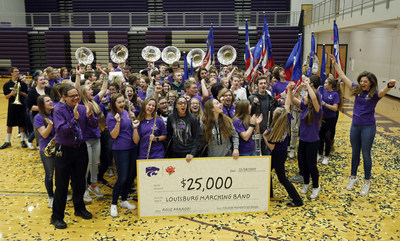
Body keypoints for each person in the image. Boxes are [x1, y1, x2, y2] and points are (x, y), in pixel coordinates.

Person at [330, 54, 396, 195]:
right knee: (354, 153)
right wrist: (335, 64)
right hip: (355, 126)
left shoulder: (375, 94)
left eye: (365, 81)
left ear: (371, 83)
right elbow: (342, 76)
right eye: (361, 81)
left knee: (366, 154)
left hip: (368, 128)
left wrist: (390, 85)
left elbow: (384, 91)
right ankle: (353, 177)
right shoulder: (356, 90)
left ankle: (367, 181)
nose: (362, 83)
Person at [51, 86, 98, 229]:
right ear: (64, 97)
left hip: (80, 149)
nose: (76, 98)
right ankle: (57, 217)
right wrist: (74, 119)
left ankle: (79, 208)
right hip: (64, 150)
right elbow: (62, 131)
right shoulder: (58, 110)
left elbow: (95, 125)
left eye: (77, 95)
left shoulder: (83, 108)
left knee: (79, 182)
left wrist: (90, 115)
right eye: (72, 96)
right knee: (62, 185)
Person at [263, 87, 303, 207]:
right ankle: (269, 193)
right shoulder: (286, 120)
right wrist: (290, 90)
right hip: (281, 153)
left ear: (276, 118)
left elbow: (271, 147)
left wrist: (264, 137)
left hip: (278, 155)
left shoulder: (277, 131)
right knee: (267, 171)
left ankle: (297, 200)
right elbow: (287, 105)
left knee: (282, 178)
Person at [288, 77, 322, 199]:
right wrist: (290, 90)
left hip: (312, 142)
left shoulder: (317, 110)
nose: (304, 97)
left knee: (312, 165)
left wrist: (307, 85)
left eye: (305, 96)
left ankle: (316, 186)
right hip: (303, 141)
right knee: (303, 164)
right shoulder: (304, 106)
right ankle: (306, 183)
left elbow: (313, 97)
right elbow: (293, 99)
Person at [106, 93, 138, 217]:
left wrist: (133, 118)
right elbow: (113, 135)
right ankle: (113, 204)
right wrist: (118, 122)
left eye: (122, 102)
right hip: (120, 149)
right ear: (114, 104)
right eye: (119, 102)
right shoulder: (111, 116)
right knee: (122, 177)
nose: (122, 104)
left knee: (130, 177)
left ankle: (124, 200)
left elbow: (132, 128)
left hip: (132, 148)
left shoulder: (126, 113)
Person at [34, 95, 56, 207]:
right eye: (48, 101)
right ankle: (51, 197)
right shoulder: (38, 117)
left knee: (61, 174)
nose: (51, 102)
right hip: (46, 149)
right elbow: (44, 134)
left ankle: (60, 194)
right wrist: (50, 125)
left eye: (50, 100)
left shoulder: (55, 113)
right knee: (49, 174)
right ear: (42, 105)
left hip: (58, 147)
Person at [248, 76, 278, 155]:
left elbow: (273, 114)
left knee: (267, 153)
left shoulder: (270, 98)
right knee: (256, 154)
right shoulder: (251, 98)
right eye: (261, 83)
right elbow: (249, 114)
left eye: (265, 83)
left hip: (267, 130)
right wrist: (254, 104)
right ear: (257, 86)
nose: (263, 85)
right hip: (255, 131)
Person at [0, 67, 28, 149]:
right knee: (9, 124)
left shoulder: (22, 84)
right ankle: (7, 141)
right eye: (16, 71)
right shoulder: (7, 85)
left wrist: (20, 92)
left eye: (18, 71)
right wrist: (11, 94)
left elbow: (26, 95)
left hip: (21, 106)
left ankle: (23, 140)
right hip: (12, 107)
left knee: (22, 124)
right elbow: (6, 97)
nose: (17, 73)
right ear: (11, 73)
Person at [166, 97, 200, 162]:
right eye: (180, 103)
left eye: (185, 103)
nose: (183, 105)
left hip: (189, 152)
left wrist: (192, 153)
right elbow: (169, 135)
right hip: (174, 152)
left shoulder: (193, 119)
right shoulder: (171, 117)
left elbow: (197, 138)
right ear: (176, 105)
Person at [318, 77, 342, 165]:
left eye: (326, 83)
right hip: (322, 118)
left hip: (330, 119)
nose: (324, 85)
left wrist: (324, 104)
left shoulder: (335, 94)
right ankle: (320, 154)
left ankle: (326, 156)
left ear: (331, 85)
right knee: (320, 137)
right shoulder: (322, 92)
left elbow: (335, 108)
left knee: (327, 138)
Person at [26, 74, 52, 149]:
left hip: (49, 115)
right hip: (37, 116)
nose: (43, 81)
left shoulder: (49, 90)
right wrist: (43, 108)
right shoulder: (32, 92)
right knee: (39, 134)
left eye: (44, 79)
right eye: (41, 80)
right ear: (36, 82)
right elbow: (29, 106)